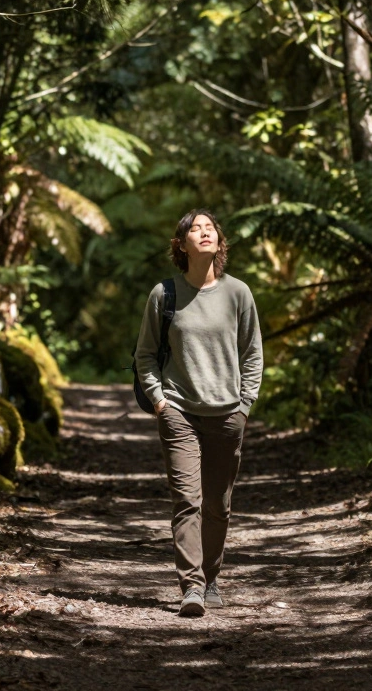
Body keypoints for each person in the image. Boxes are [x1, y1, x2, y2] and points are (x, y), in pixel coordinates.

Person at [134, 209, 263, 618]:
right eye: (195, 229)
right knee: (187, 500)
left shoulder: (238, 293)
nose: (204, 233)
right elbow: (145, 355)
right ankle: (191, 586)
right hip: (179, 413)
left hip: (227, 415)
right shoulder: (164, 294)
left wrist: (244, 405)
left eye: (210, 229)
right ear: (181, 244)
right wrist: (160, 402)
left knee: (217, 504)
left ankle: (210, 578)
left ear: (219, 243)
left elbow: (253, 354)